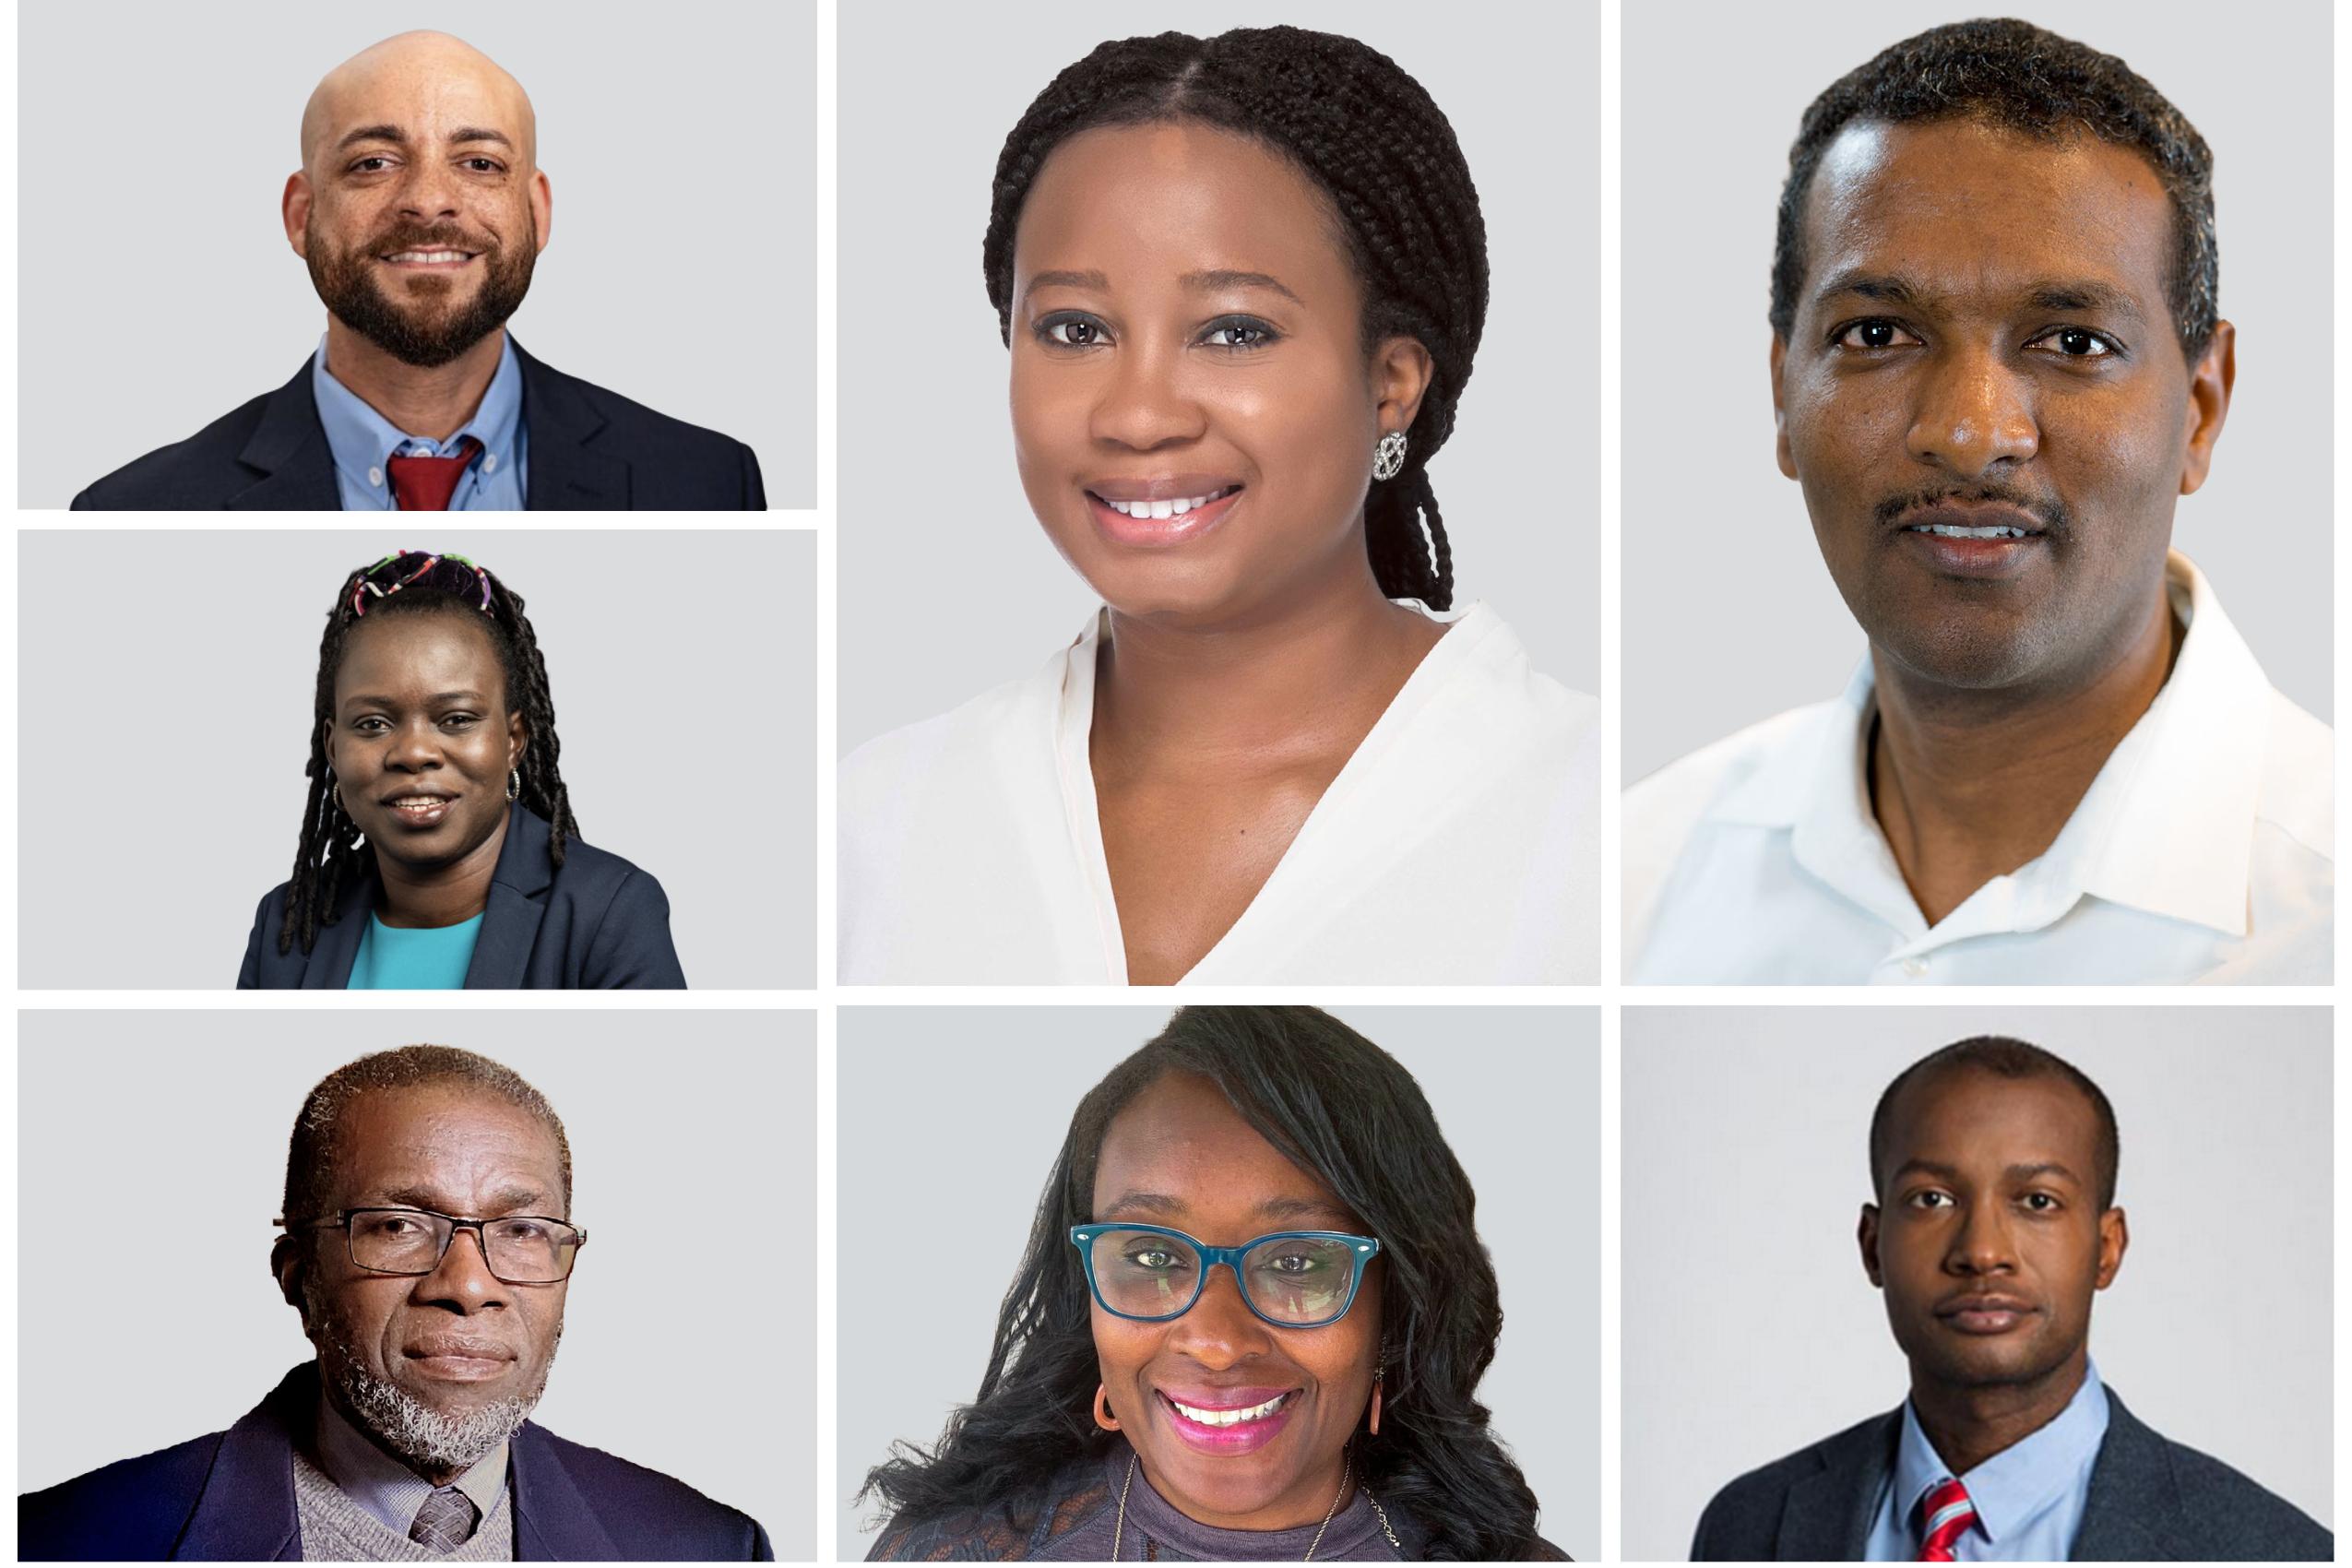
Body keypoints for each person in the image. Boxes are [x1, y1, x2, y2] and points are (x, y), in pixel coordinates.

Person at [840, 27, 1599, 986]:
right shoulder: (877, 823)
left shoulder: (1594, 821)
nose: (1139, 414)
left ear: (1392, 382)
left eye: (1234, 331)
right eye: (1075, 329)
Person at [1624, 19, 2331, 984]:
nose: (1970, 430)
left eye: (2073, 342)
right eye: (1878, 332)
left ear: (2201, 409)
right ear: (1784, 393)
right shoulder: (1631, 883)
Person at [862, 1005, 1566, 1561]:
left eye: (1296, 1262)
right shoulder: (948, 1555)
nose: (1218, 1342)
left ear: (1395, 1302)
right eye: (1152, 1257)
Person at [18, 1045, 770, 1560]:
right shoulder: (58, 1542)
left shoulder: (705, 1547)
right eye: (399, 1226)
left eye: (521, 1230)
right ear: (297, 1275)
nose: (470, 1286)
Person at [1691, 1036, 2330, 1561]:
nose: (1983, 1250)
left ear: (2107, 1248)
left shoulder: (2274, 1549)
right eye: (1932, 1199)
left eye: (2037, 1202)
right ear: (1872, 1245)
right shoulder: (1750, 1526)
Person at [72, 30, 764, 510]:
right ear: (299, 215)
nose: (430, 201)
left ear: (537, 211)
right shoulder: (133, 511)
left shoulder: (708, 482)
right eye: (373, 162)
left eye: (480, 164)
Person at [237, 550, 685, 988]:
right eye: (373, 723)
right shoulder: (286, 924)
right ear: (333, 749)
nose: (413, 753)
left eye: (456, 719)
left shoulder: (610, 911)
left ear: (513, 741)